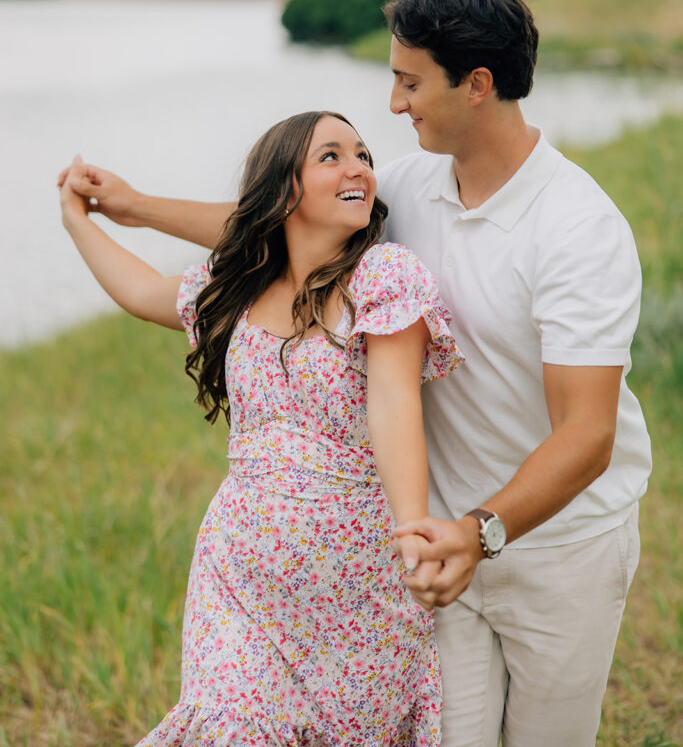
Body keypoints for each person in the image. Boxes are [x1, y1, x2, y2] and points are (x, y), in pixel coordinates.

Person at [60, 0, 652, 747]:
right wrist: (133, 208)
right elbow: (274, 226)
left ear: (476, 85)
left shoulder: (576, 228)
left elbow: (586, 436)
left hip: (555, 545)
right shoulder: (404, 186)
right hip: (430, 544)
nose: (395, 103)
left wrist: (479, 532)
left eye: (408, 82)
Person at [59, 110, 462, 746]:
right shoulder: (239, 288)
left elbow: (394, 407)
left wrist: (414, 528)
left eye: (362, 154)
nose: (358, 166)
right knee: (232, 726)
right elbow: (139, 292)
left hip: (359, 600)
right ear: (283, 192)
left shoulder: (385, 279)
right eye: (331, 156)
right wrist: (79, 221)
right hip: (237, 580)